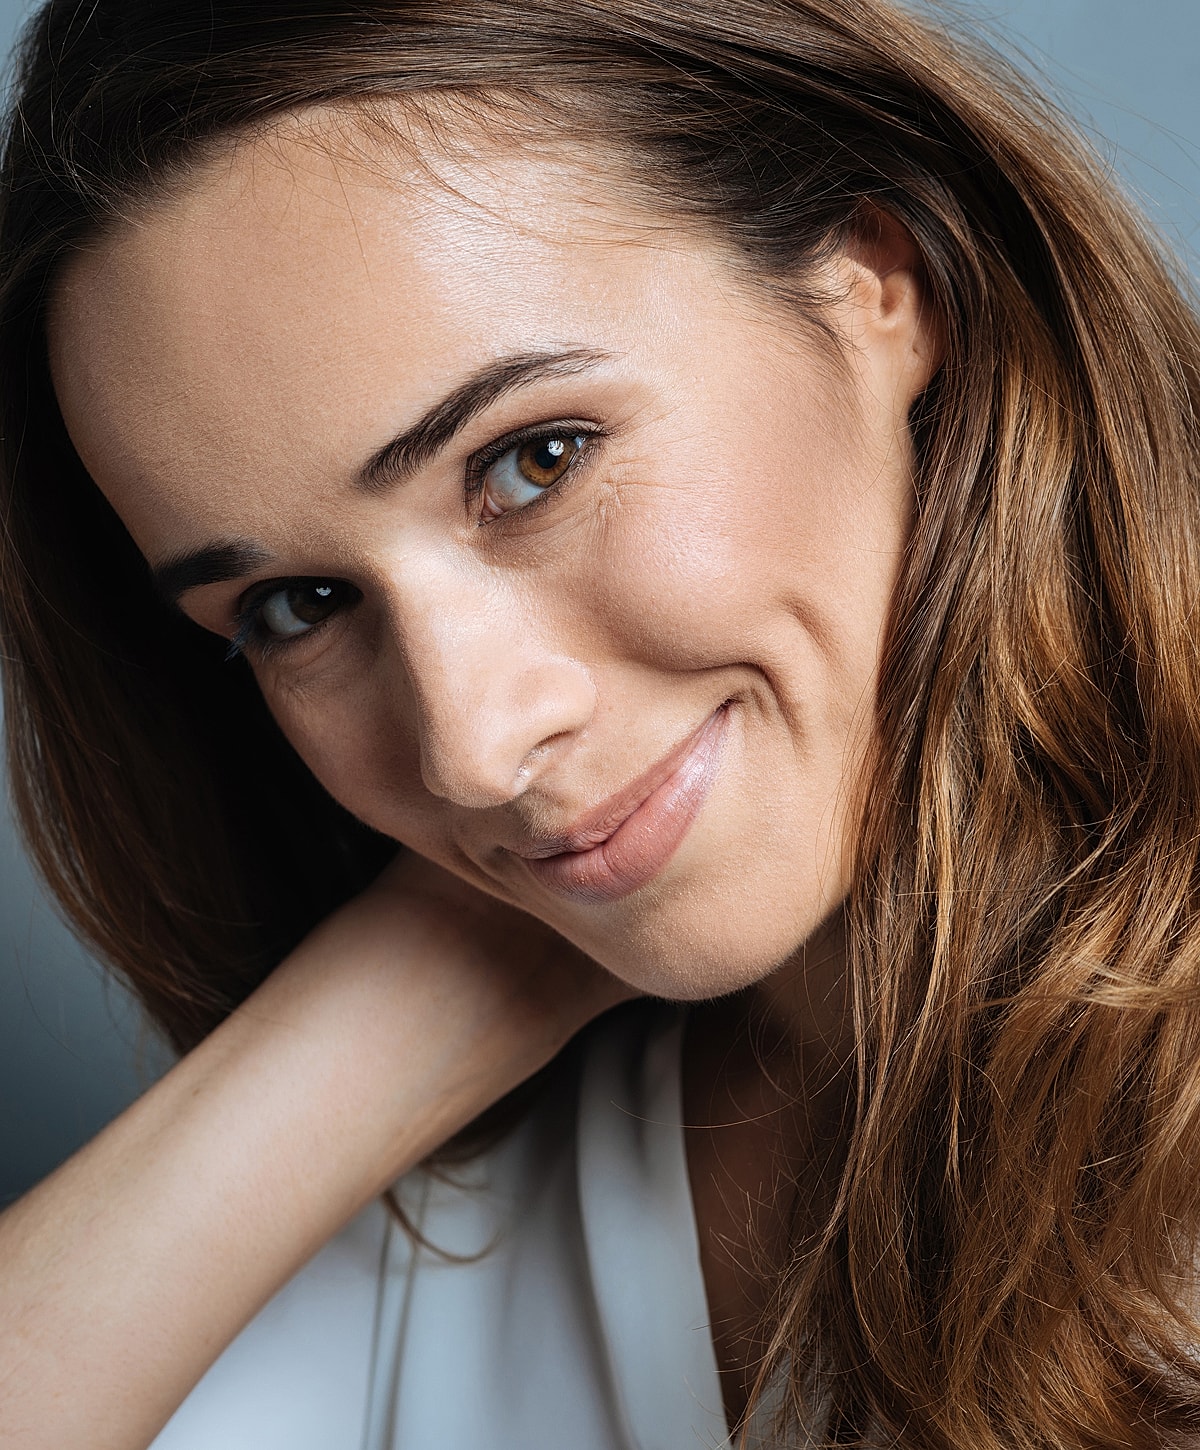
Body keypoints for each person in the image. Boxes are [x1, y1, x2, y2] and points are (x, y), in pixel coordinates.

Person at [1, 1, 1199, 1446]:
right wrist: (378, 1021)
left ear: (877, 279)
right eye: (299, 605)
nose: (471, 746)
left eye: (534, 461)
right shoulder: (453, 1208)